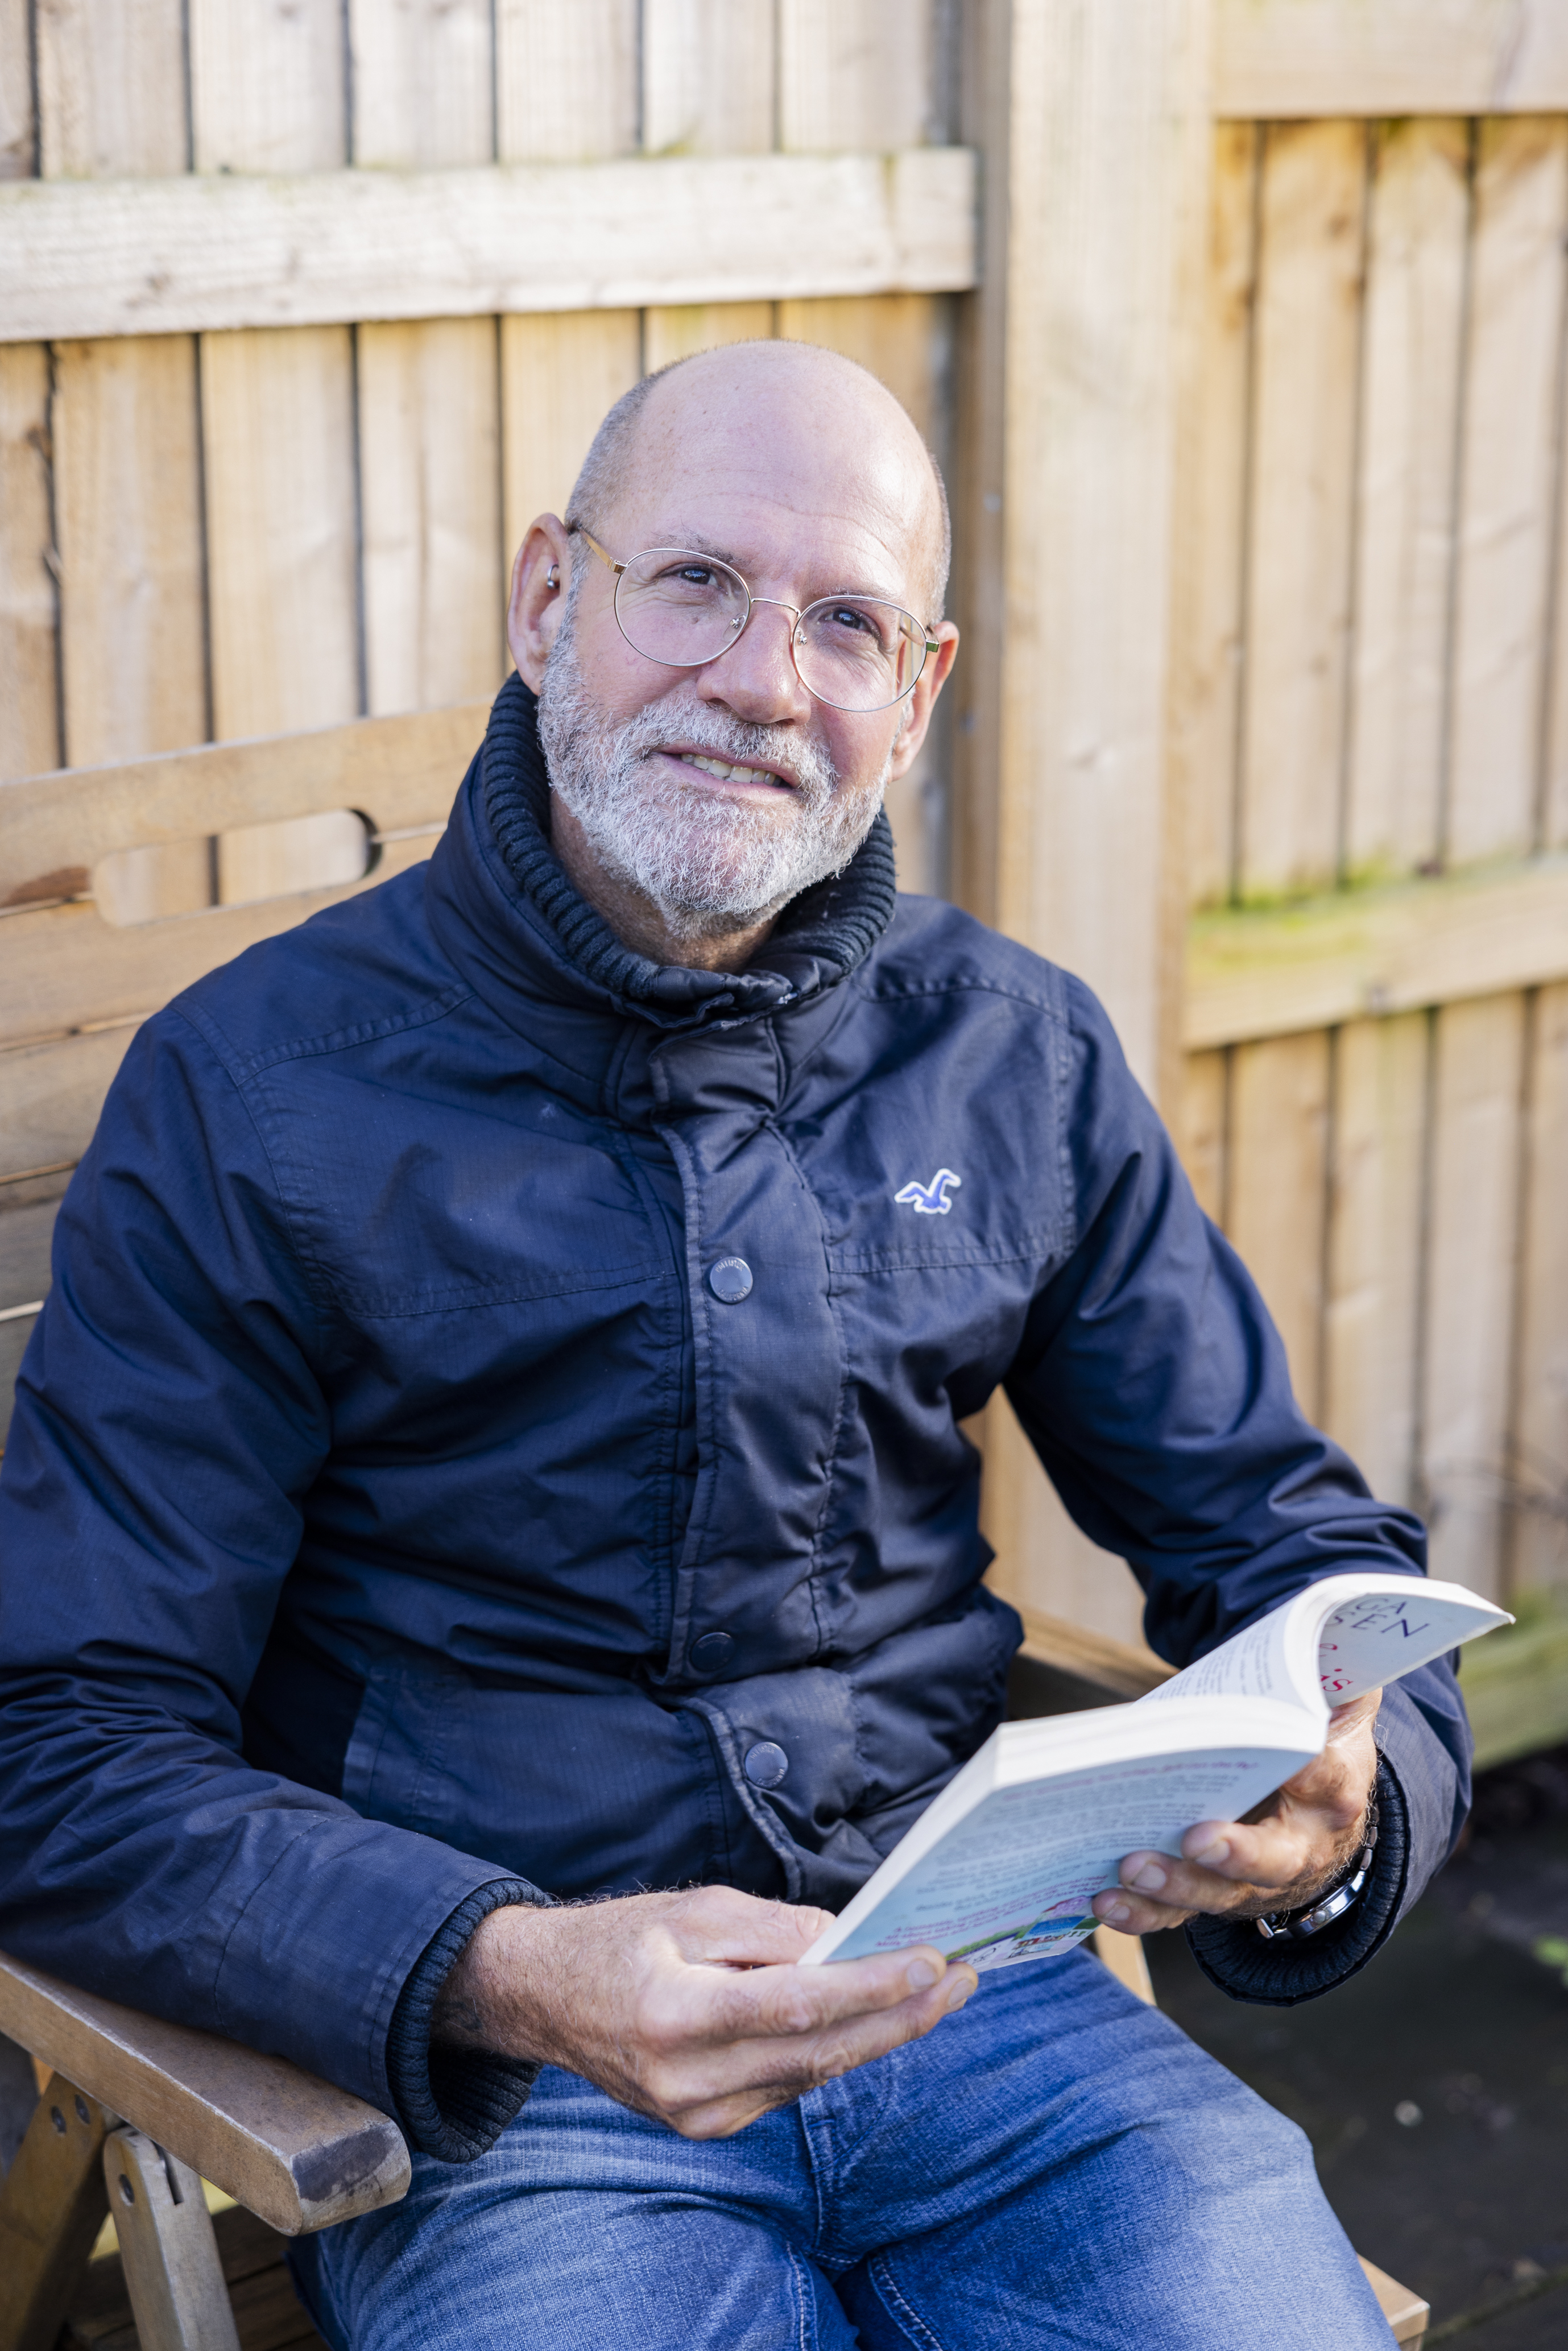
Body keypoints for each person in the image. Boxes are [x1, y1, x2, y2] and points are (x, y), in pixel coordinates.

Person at [0, 341, 1467, 2350]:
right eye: (695, 582)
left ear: (917, 692)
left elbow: (1288, 1535)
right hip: (523, 2091)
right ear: (547, 602)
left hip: (994, 2001)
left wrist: (1345, 1802)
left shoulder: (1011, 1056)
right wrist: (511, 1969)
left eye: (847, 622)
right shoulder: (256, 1096)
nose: (769, 681)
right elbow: (59, 1753)